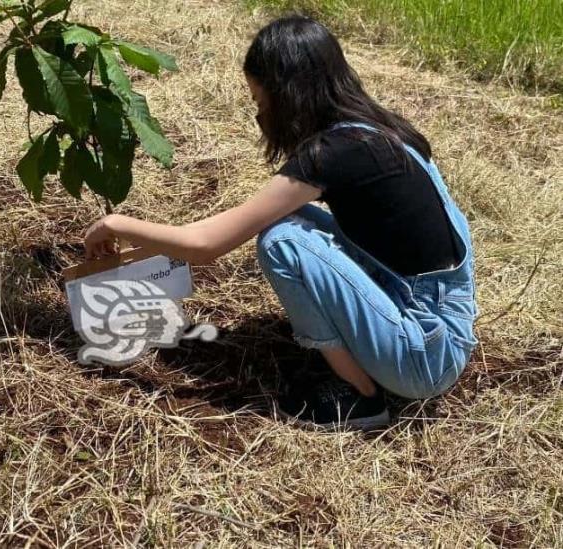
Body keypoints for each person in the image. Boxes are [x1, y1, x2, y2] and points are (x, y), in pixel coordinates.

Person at [82, 15, 479, 429]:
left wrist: (116, 224)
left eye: (259, 101)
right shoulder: (377, 131)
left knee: (282, 242)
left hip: (424, 357)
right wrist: (141, 250)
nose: (259, 114)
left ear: (287, 96)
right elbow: (234, 224)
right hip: (444, 319)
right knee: (281, 219)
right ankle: (368, 357)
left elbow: (206, 245)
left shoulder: (333, 153)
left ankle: (359, 396)